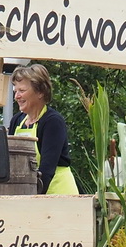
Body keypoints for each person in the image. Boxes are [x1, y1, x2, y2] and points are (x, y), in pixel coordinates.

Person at [8, 63, 78, 195]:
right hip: (28, 194)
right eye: (15, 91)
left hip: (58, 194)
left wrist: (33, 200)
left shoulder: (53, 121)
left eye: (22, 91)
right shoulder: (16, 121)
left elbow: (47, 170)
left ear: (40, 92)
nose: (16, 96)